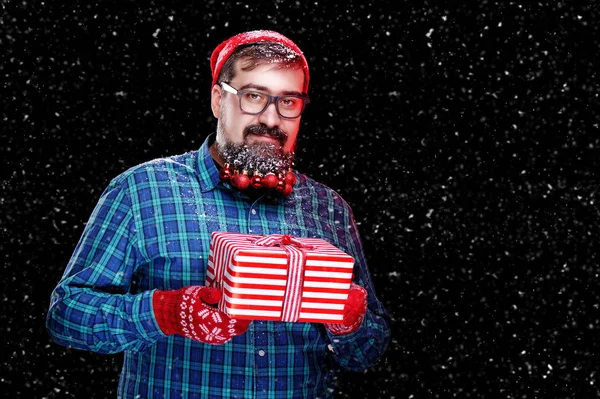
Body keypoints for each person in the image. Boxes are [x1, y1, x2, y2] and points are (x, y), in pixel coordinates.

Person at [46, 30, 391, 398]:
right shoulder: (142, 190)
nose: (271, 120)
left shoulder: (329, 209)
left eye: (288, 102)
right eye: (253, 97)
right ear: (217, 99)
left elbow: (367, 354)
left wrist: (351, 324)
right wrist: (166, 312)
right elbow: (67, 316)